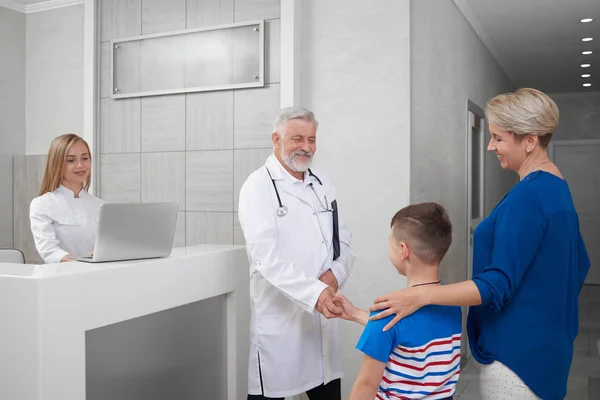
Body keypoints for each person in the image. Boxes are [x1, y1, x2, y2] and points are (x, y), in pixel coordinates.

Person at [370, 89, 590, 400]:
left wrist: (420, 295)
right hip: (549, 349)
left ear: (529, 140)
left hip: (517, 360)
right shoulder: (557, 187)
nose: (490, 146)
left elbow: (496, 285)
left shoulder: (529, 195)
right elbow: (579, 264)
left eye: (499, 138)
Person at [238, 107, 355, 400]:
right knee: (275, 390)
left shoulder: (323, 184)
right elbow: (265, 258)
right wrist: (316, 293)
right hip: (282, 320)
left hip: (322, 321)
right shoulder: (257, 186)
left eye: (312, 139)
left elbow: (344, 242)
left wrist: (335, 276)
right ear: (275, 139)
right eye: (297, 139)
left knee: (327, 389)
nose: (306, 147)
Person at [335, 202, 461, 400]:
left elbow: (366, 386)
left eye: (390, 240)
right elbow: (410, 331)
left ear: (403, 250)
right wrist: (354, 314)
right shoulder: (452, 304)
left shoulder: (387, 313)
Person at [30, 134, 104, 264]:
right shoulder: (42, 204)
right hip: (63, 277)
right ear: (56, 164)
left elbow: (109, 247)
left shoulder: (101, 206)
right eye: (71, 160)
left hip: (100, 275)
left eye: (85, 158)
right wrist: (84, 263)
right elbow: (49, 251)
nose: (80, 165)